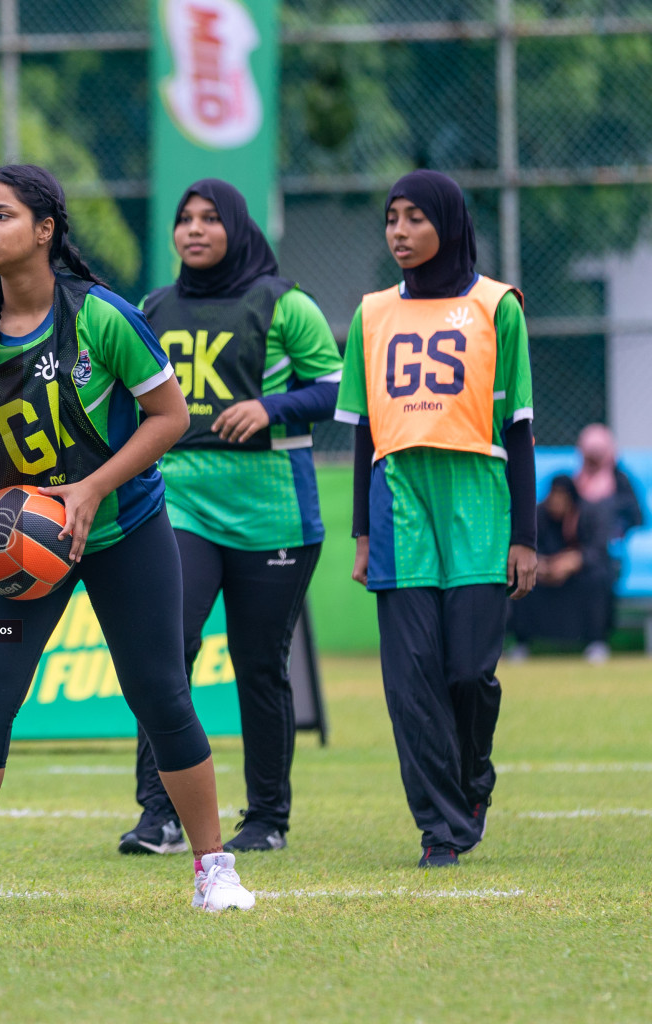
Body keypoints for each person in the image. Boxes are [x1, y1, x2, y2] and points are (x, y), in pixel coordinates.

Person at [0, 164, 254, 918]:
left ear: (45, 229)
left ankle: (213, 867)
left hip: (124, 527)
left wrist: (93, 489)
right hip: (20, 540)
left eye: (1, 215)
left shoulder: (102, 318)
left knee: (160, 694)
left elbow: (169, 416)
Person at [121, 180, 341, 857]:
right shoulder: (150, 309)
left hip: (273, 510)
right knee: (168, 651)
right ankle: (158, 816)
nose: (194, 229)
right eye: (184, 218)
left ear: (237, 227)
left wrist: (271, 409)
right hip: (180, 499)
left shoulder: (285, 303)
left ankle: (268, 818)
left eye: (210, 219)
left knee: (259, 665)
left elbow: (337, 388)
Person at [334, 169, 537, 868]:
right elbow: (363, 432)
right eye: (392, 218)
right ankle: (441, 829)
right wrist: (362, 533)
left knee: (467, 675)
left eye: (416, 217)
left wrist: (526, 538)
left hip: (479, 503)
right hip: (400, 505)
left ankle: (472, 777)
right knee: (412, 682)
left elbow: (519, 431)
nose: (400, 231)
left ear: (448, 223)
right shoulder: (371, 314)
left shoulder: (497, 306)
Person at [508, 476, 617, 662]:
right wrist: (540, 564)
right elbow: (525, 546)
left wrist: (575, 560)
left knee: (598, 577)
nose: (557, 501)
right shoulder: (538, 515)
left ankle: (597, 642)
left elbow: (598, 550)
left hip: (578, 574)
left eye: (562, 496)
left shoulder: (588, 513)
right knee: (520, 578)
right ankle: (522, 643)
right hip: (543, 573)